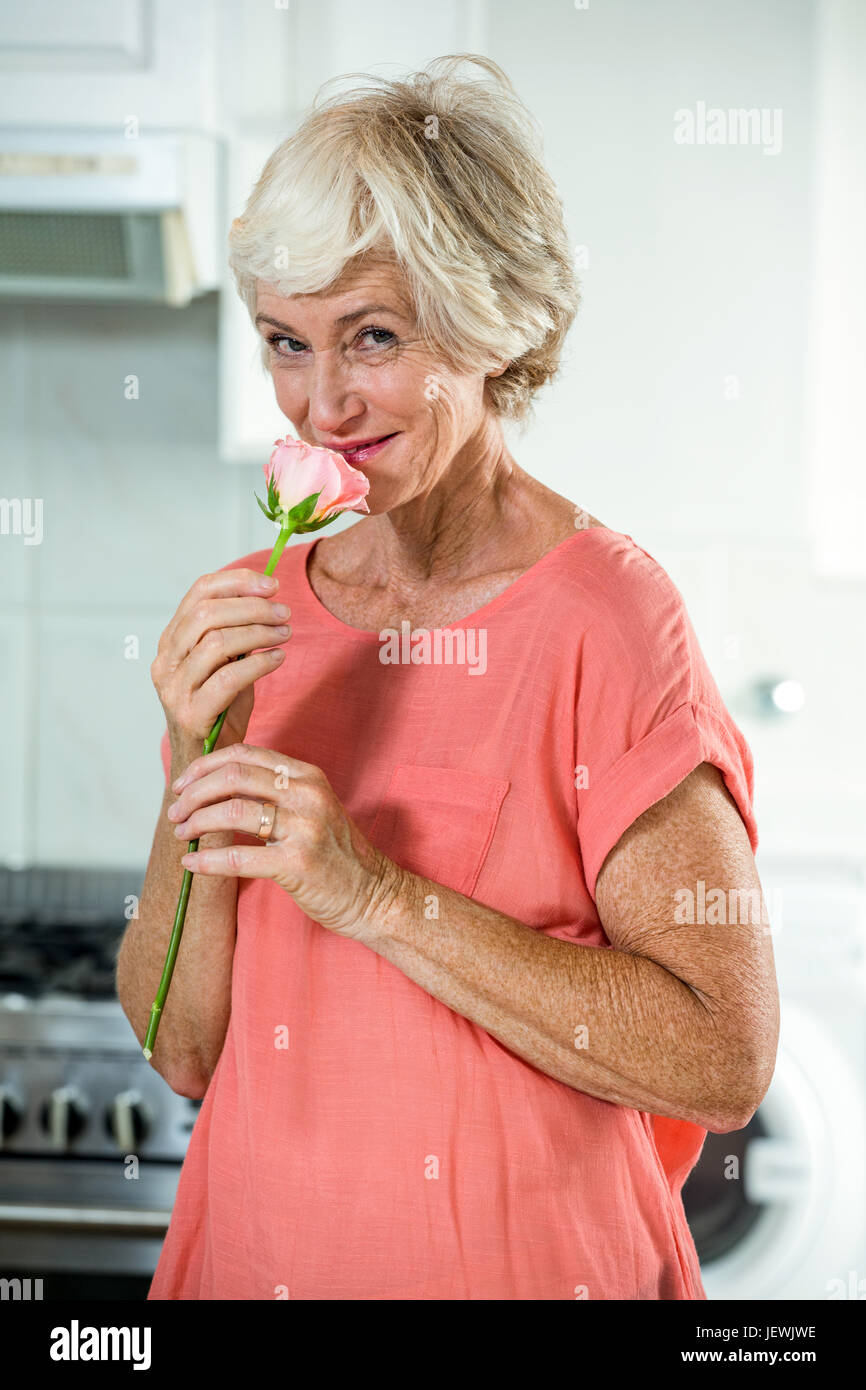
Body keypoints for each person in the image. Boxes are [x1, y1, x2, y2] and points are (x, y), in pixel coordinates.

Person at [117, 54, 779, 1300]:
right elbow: (185, 1047)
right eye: (284, 342)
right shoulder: (259, 616)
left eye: (373, 336)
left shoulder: (606, 619)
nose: (321, 403)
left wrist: (370, 892)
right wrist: (192, 762)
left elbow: (719, 1054)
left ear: (483, 324)